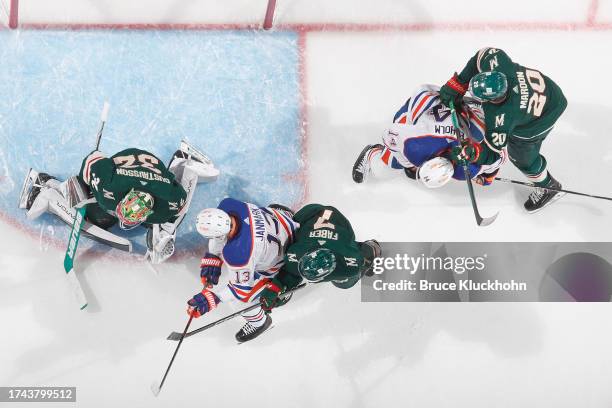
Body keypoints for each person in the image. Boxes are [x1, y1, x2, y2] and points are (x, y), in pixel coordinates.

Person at [18, 140, 218, 262]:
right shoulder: (110, 185)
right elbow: (93, 159)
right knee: (102, 216)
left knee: (164, 220)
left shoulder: (170, 202)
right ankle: (44, 185)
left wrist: (165, 235)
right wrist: (78, 187)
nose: (125, 222)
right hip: (125, 164)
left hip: (153, 172)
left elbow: (180, 201)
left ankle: (184, 157)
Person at [438, 47, 567, 212]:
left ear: (493, 100)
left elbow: (494, 153)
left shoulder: (503, 117)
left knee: (521, 156)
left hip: (547, 114)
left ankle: (548, 186)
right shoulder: (500, 65)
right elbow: (481, 56)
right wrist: (460, 83)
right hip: (549, 91)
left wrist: (474, 152)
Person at [352, 84, 505, 189]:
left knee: (483, 134)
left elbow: (499, 157)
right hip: (428, 106)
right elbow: (389, 133)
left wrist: (486, 177)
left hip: (436, 107)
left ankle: (474, 108)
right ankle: (374, 151)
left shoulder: (464, 171)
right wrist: (485, 171)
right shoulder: (415, 147)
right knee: (392, 160)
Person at [187, 198, 298, 343]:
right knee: (266, 213)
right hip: (287, 227)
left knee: (239, 301)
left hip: (285, 261)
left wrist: (214, 298)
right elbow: (222, 235)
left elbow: (241, 290)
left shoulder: (238, 252)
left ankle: (259, 323)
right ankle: (286, 216)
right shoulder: (229, 205)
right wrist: (213, 255)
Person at [258, 203, 381, 311]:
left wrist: (367, 258)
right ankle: (287, 217)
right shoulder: (295, 251)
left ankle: (287, 219)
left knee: (345, 283)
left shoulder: (350, 261)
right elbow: (291, 272)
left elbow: (365, 250)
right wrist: (275, 288)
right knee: (289, 234)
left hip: (336, 224)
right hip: (310, 214)